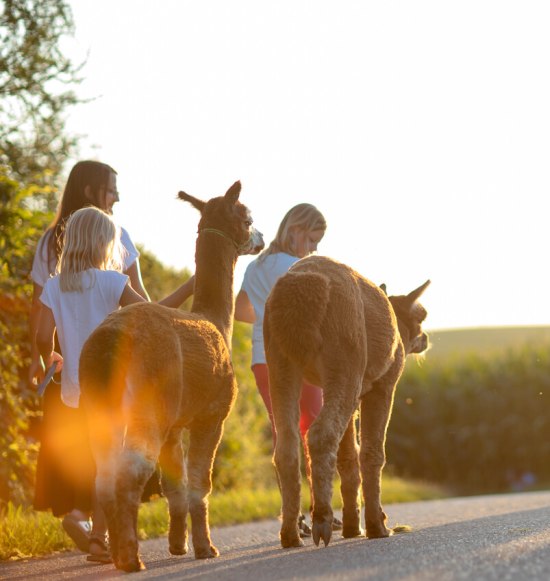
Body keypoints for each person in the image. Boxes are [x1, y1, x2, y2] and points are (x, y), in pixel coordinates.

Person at [28, 160, 193, 557]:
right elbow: (150, 313)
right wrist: (190, 287)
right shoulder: (114, 281)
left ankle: (100, 533)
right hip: (119, 385)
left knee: (99, 463)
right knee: (117, 462)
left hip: (77, 389)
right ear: (106, 244)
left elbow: (39, 333)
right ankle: (107, 536)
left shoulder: (55, 286)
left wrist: (48, 356)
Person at [234, 203, 341, 535]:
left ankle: (292, 515)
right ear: (295, 230)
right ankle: (320, 507)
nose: (314, 249)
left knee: (284, 432)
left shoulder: (256, 266)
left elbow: (240, 310)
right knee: (315, 430)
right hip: (300, 357)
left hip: (263, 356)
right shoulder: (301, 267)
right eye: (311, 239)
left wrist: (268, 318)